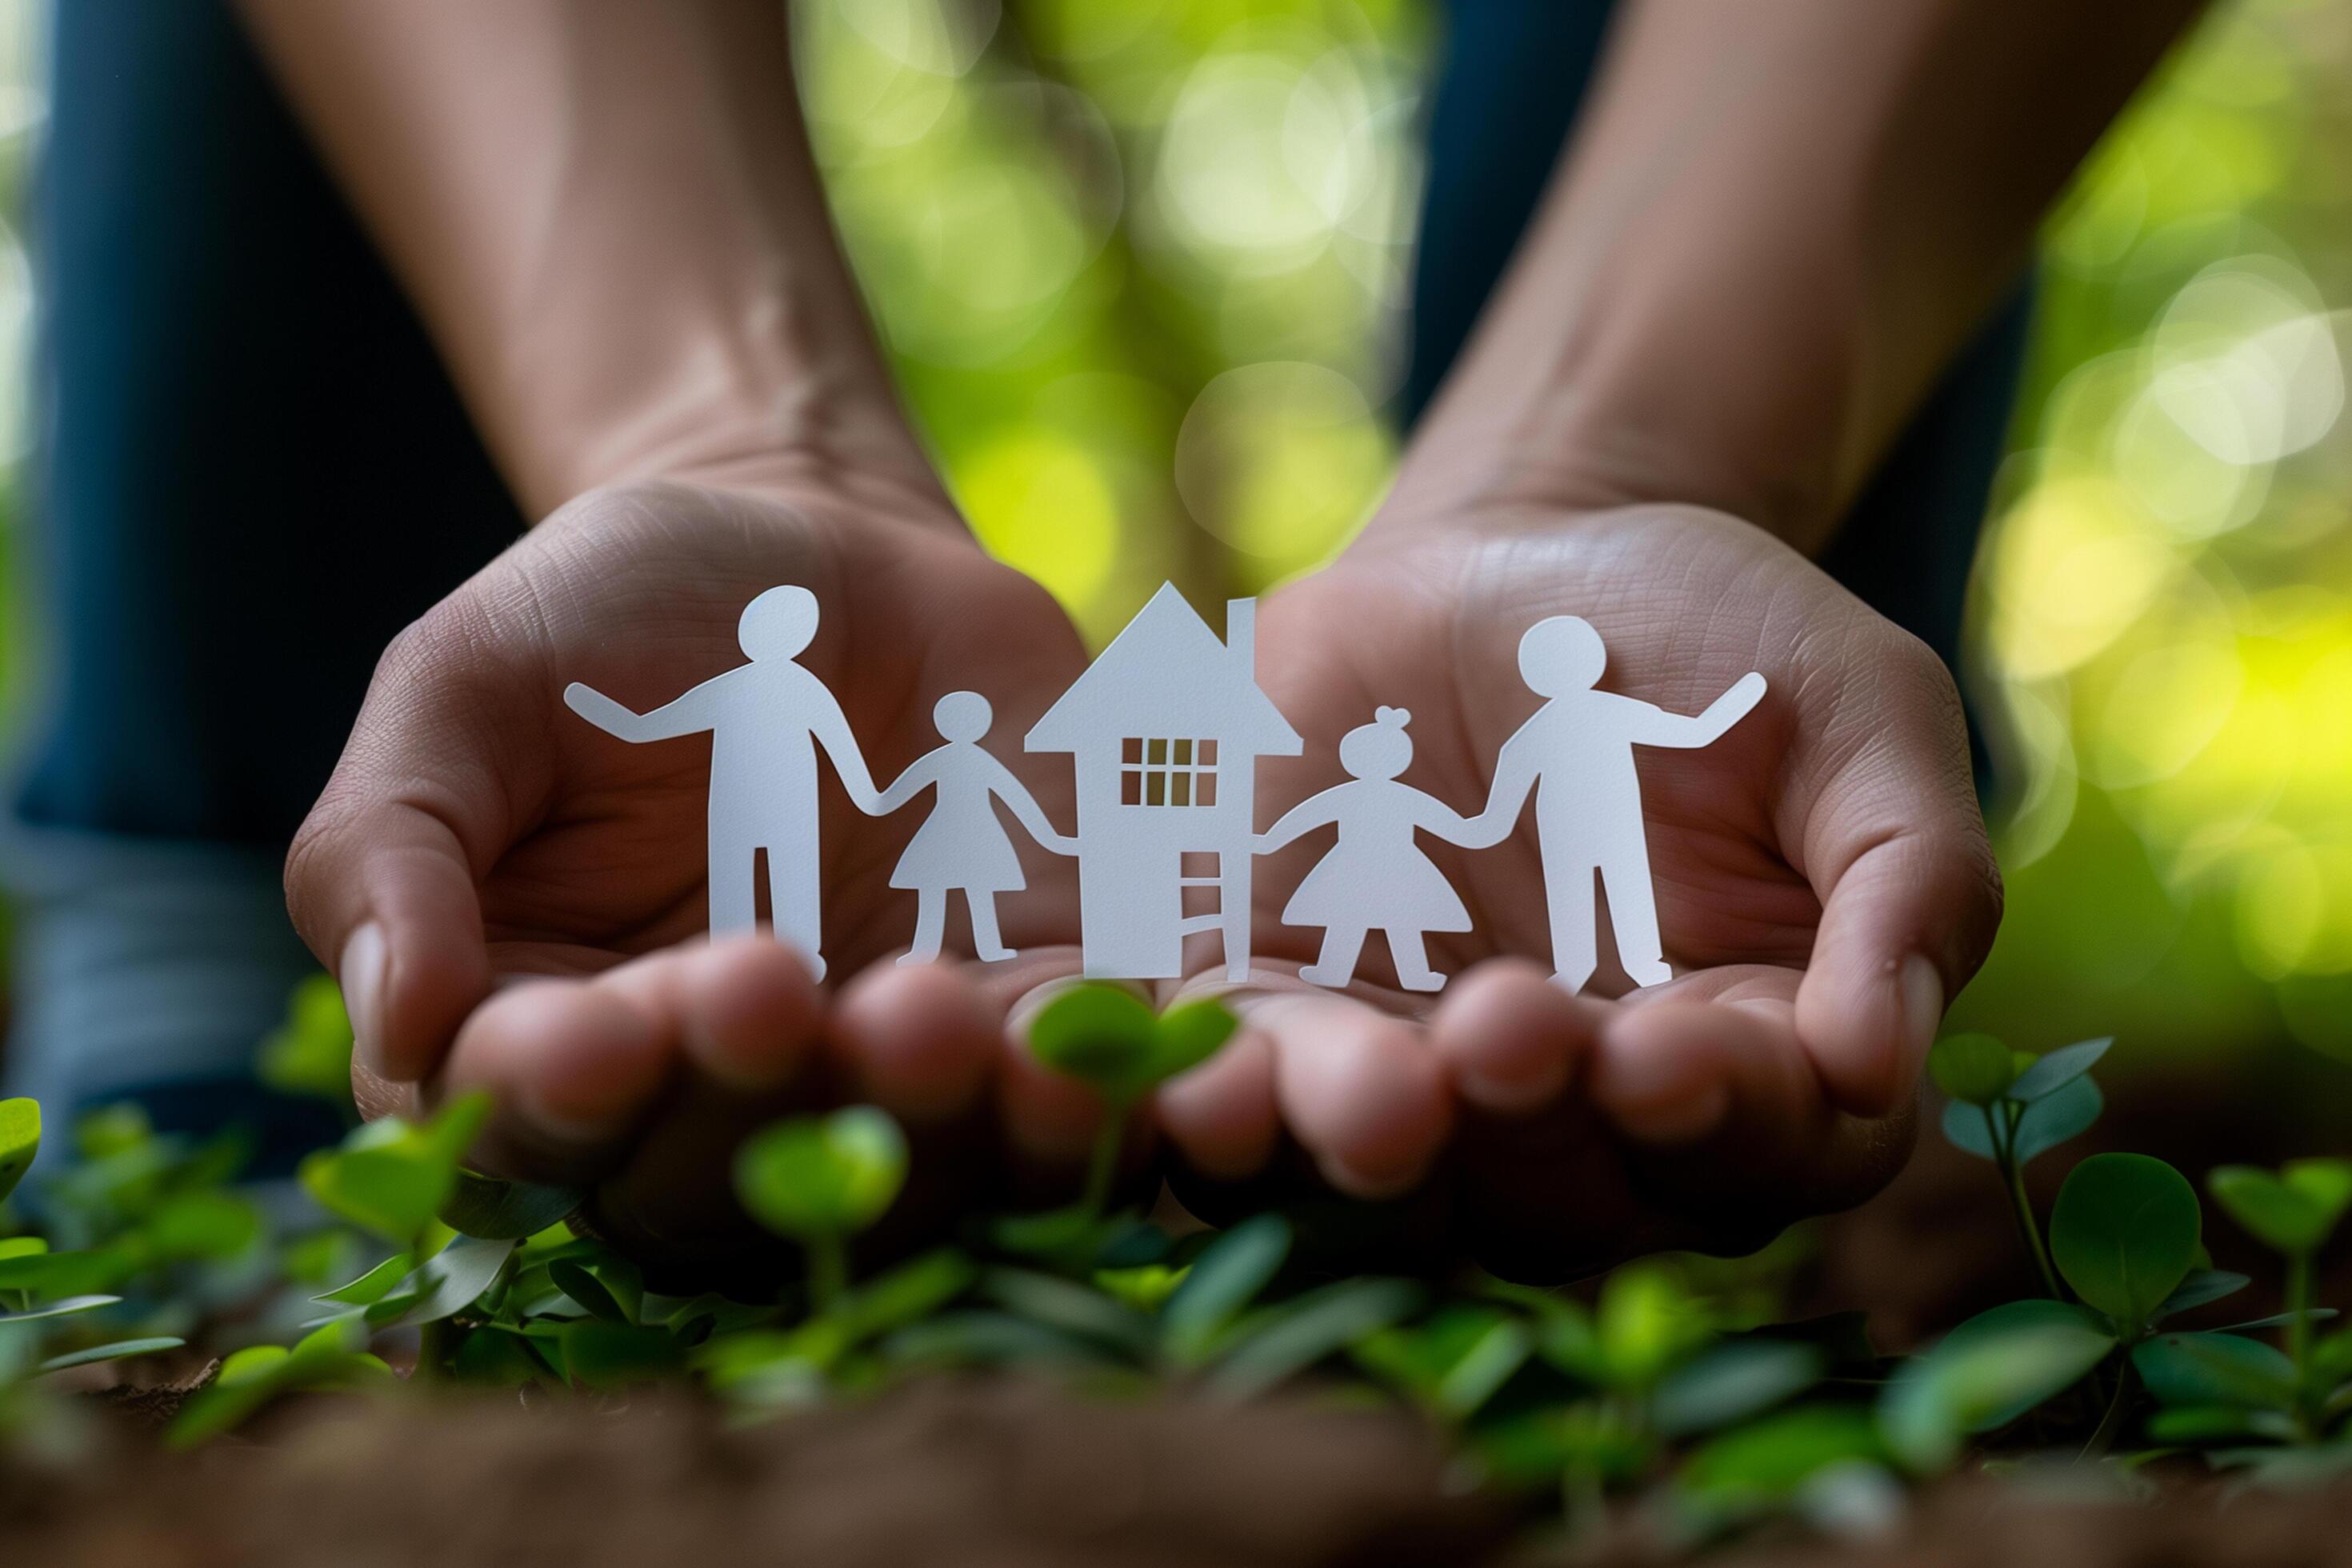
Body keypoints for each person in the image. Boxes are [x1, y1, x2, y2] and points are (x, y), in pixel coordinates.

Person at [3, 0, 2202, 1274]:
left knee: (1569, 898)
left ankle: (1734, 915)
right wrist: (702, 441)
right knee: (723, 898)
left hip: (1530, 837)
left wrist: (1636, 470)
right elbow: (860, 768)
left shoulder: (1489, 751)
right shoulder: (784, 703)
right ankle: (218, 865)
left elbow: (912, 783)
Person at [566, 586, 878, 978]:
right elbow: (645, 727)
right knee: (751, 874)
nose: (756, 631)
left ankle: (793, 959)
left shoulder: (794, 687)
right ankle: (739, 962)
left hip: (785, 803)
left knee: (787, 874)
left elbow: (841, 746)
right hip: (741, 804)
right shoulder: (745, 685)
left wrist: (873, 798)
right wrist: (597, 708)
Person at [1464, 619, 1766, 992]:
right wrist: (1743, 695)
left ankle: (1618, 967)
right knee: (1619, 887)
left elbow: (1497, 816)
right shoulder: (1594, 715)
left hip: (1588, 829)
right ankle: (1626, 966)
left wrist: (1463, 829)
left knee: (1600, 890)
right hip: (1591, 829)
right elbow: (1697, 732)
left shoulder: (1539, 731)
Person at [1255, 708, 1481, 994]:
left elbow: (1305, 818)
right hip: (1381, 867)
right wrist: (1268, 841)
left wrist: (1268, 840)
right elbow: (1307, 816)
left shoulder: (1378, 796)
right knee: (1379, 919)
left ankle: (1402, 974)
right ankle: (1343, 971)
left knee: (1383, 918)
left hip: (1380, 867)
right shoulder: (1382, 796)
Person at [873, 692, 1074, 968]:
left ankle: (986, 948)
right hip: (951, 833)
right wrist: (869, 800)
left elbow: (1016, 798)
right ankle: (926, 950)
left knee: (970, 892)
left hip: (972, 834)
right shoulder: (946, 760)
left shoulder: (977, 761)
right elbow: (894, 795)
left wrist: (1053, 838)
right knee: (942, 890)